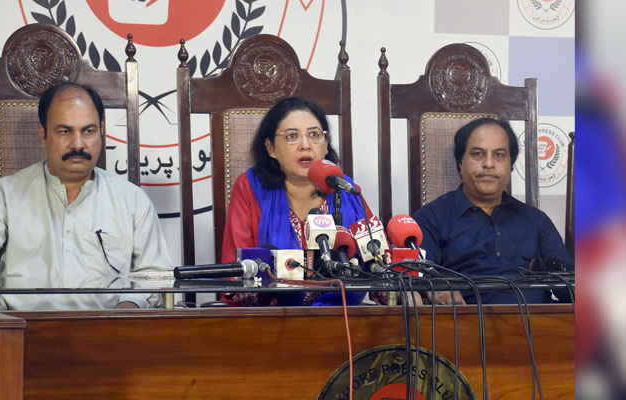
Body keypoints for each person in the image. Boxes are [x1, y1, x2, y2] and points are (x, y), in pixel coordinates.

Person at [0, 83, 172, 310]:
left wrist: (128, 308)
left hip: (108, 333)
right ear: (43, 134)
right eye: (65, 131)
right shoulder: (0, 197)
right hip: (20, 335)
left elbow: (157, 276)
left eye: (88, 131)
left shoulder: (132, 201)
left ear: (101, 130)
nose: (78, 144)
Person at [220, 97, 372, 306]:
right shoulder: (250, 188)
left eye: (314, 135)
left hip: (343, 320)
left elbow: (376, 263)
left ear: (326, 145)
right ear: (270, 147)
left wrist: (402, 291)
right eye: (292, 136)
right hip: (272, 323)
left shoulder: (344, 188)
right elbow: (234, 276)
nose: (305, 145)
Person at [412, 118, 574, 305]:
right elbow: (415, 278)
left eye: (499, 155)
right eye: (478, 154)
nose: (489, 163)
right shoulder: (430, 219)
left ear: (510, 165)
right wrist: (435, 289)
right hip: (462, 327)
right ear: (460, 162)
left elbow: (570, 287)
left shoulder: (537, 221)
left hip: (539, 328)